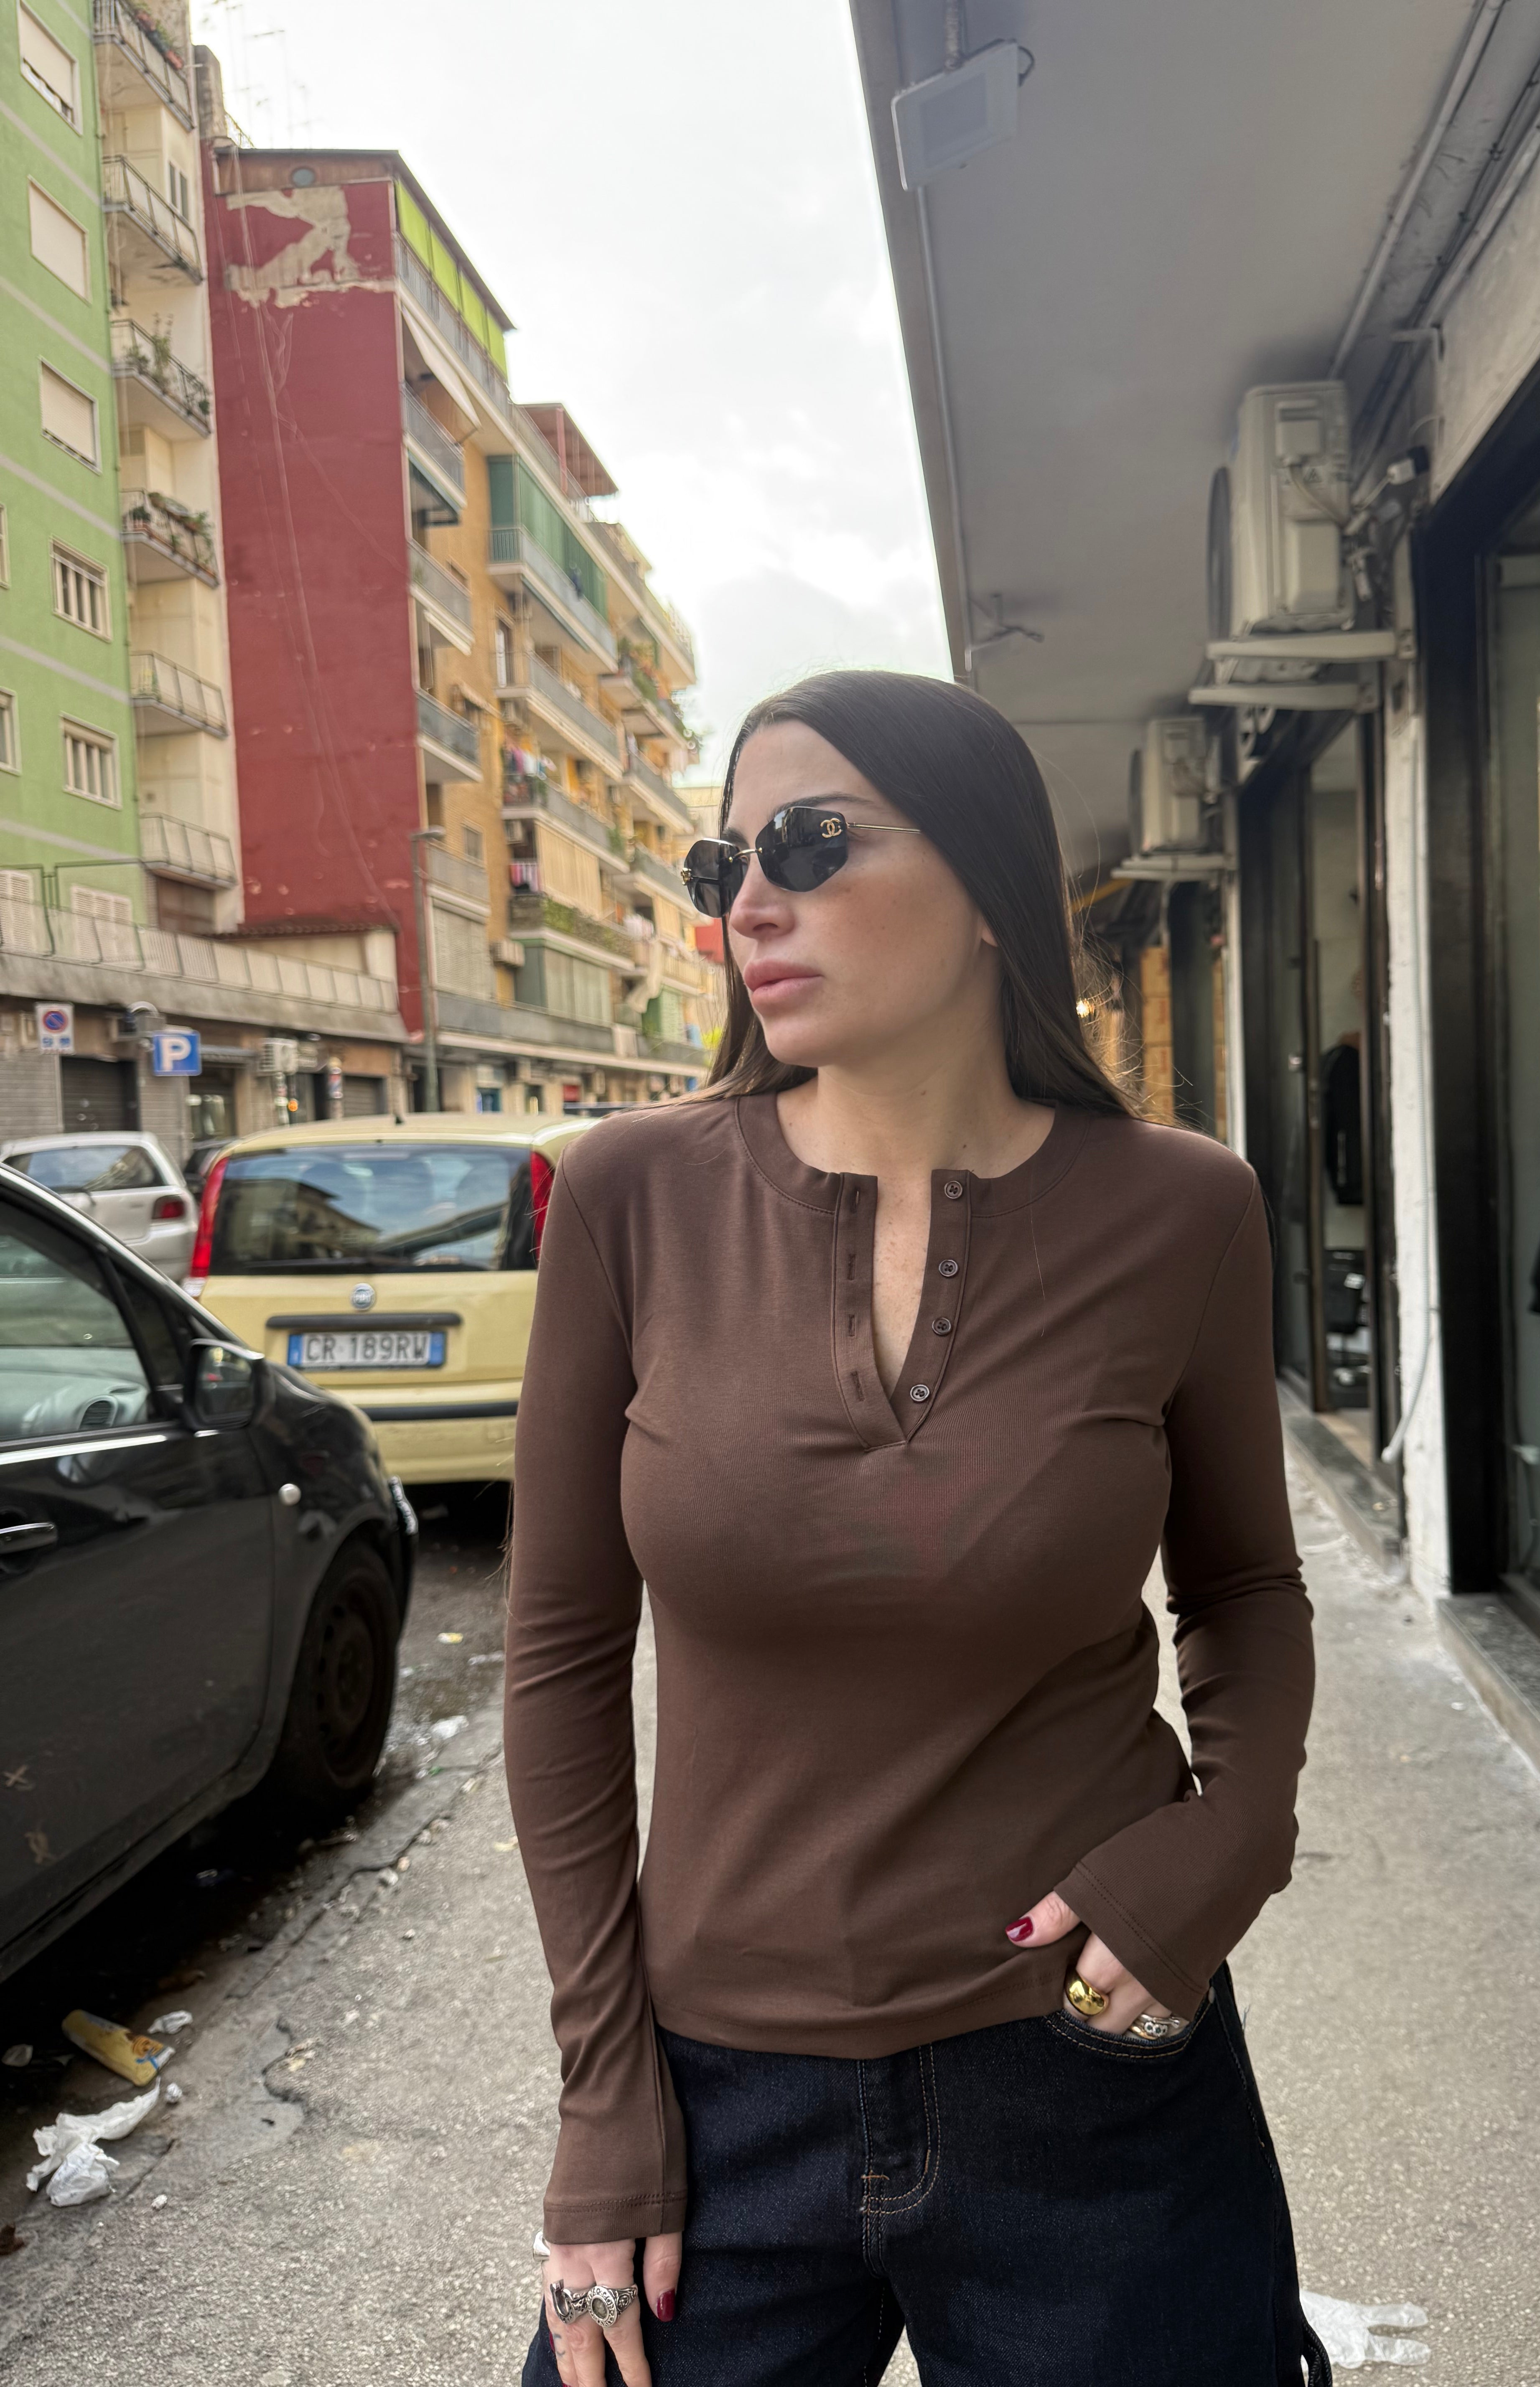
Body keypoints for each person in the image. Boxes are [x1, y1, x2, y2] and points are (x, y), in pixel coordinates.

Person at [506, 670, 1326, 2387]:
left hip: (1090, 2054)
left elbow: (1243, 1582)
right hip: (716, 2098)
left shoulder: (1183, 1208)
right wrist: (603, 2094)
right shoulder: (628, 1196)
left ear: (988, 888)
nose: (750, 900)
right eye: (725, 860)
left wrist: (1232, 1840)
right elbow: (562, 1657)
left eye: (811, 843)